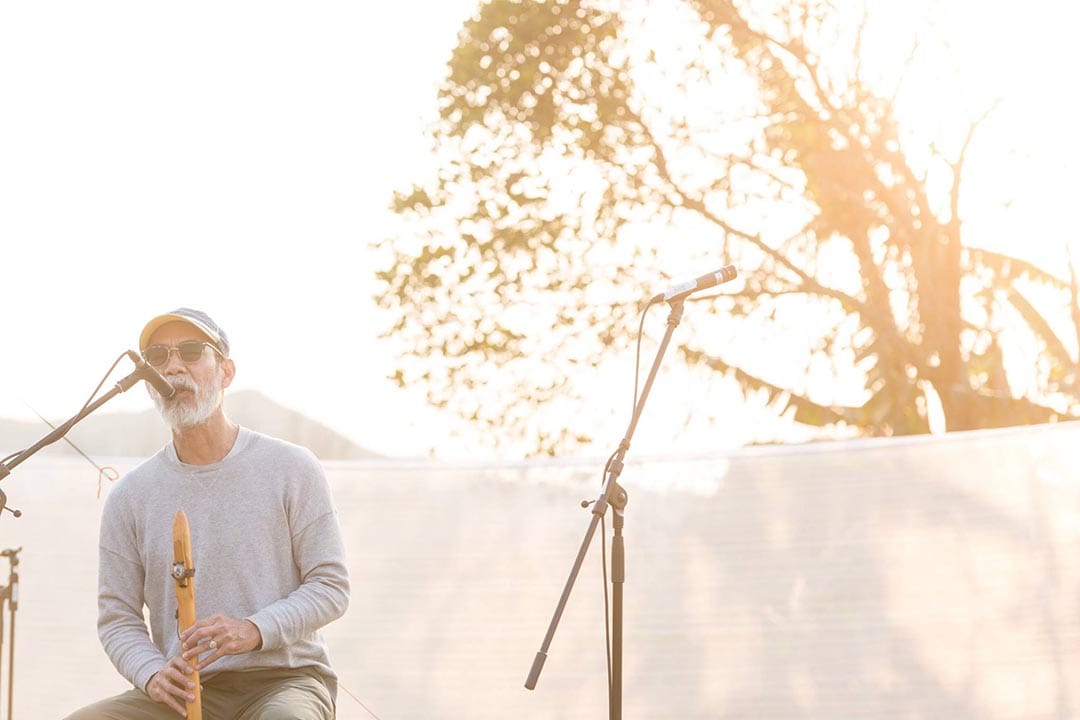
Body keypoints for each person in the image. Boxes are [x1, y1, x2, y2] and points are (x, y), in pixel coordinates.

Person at [65, 308, 350, 719]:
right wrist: (152, 673)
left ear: (226, 372)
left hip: (284, 680)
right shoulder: (129, 496)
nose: (173, 366)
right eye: (158, 357)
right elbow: (117, 618)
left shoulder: (292, 467)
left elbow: (330, 586)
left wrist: (253, 629)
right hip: (184, 693)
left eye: (190, 351)